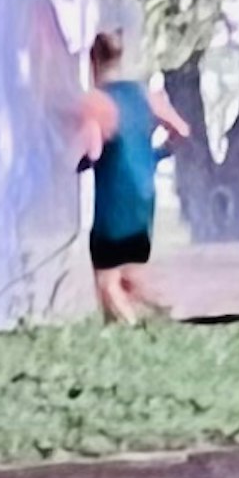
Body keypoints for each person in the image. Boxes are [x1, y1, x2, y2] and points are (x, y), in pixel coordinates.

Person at [75, 30, 164, 313]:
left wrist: (77, 164)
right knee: (127, 277)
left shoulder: (96, 101)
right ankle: (168, 311)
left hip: (113, 205)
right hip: (144, 198)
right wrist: (156, 154)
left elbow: (94, 150)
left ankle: (132, 329)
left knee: (106, 280)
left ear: (92, 61)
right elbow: (182, 131)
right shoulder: (142, 95)